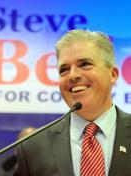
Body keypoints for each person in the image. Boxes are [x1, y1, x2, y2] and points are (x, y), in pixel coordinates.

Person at [13, 29, 131, 176]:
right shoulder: (32, 148)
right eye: (64, 70)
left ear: (113, 75)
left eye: (85, 64)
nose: (73, 75)